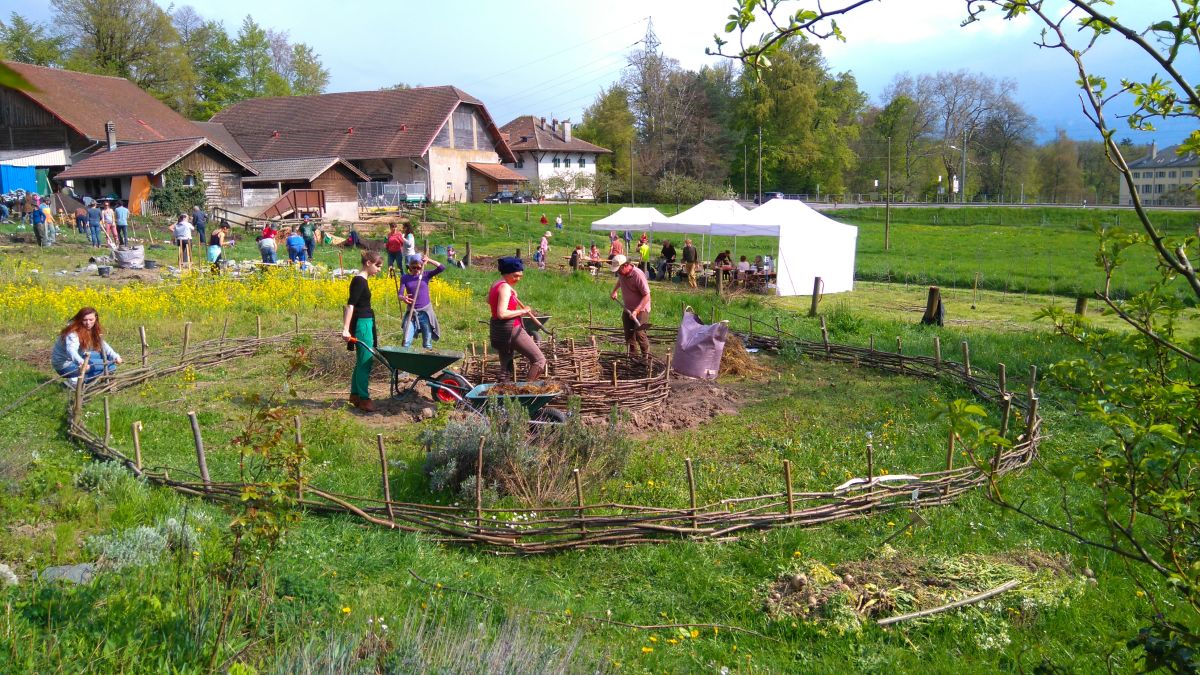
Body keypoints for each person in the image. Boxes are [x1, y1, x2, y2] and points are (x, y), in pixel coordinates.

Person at [488, 257, 546, 382]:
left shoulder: (496, 284)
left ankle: (502, 396)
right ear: (507, 273)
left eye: (520, 276)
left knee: (505, 369)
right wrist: (523, 311)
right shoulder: (505, 288)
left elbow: (489, 300)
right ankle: (528, 390)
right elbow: (502, 314)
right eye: (515, 276)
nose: (518, 279)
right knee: (539, 360)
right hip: (511, 329)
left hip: (498, 330)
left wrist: (511, 295)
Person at [342, 250, 383, 412]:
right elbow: (350, 305)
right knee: (366, 361)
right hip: (362, 324)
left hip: (366, 322)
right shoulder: (359, 281)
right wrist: (346, 329)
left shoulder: (363, 280)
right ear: (368, 263)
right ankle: (364, 399)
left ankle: (355, 395)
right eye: (377, 266)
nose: (379, 269)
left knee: (361, 361)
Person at [52, 307, 122, 384]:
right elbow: (71, 350)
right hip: (65, 365)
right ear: (79, 319)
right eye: (85, 320)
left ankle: (81, 377)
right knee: (111, 367)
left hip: (78, 357)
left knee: (107, 357)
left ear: (96, 318)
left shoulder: (91, 328)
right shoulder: (72, 332)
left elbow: (103, 344)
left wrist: (115, 356)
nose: (88, 323)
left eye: (91, 320)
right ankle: (75, 381)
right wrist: (82, 363)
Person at [399, 253, 444, 350]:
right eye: (413, 267)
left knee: (427, 343)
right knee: (406, 340)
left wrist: (429, 260)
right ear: (410, 267)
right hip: (412, 313)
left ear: (422, 266)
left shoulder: (425, 275)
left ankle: (426, 361)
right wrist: (403, 298)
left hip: (425, 312)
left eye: (418, 268)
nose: (416, 270)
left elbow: (441, 268)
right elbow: (400, 294)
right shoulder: (405, 278)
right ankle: (404, 362)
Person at [609, 254, 651, 358]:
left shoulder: (638, 275)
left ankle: (646, 358)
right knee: (629, 335)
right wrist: (615, 290)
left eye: (619, 269)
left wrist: (636, 311)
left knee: (639, 333)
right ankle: (633, 358)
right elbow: (620, 280)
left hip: (641, 309)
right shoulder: (622, 273)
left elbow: (647, 295)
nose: (618, 272)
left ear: (625, 265)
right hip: (628, 308)